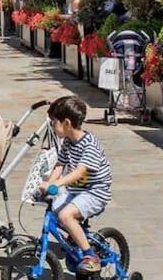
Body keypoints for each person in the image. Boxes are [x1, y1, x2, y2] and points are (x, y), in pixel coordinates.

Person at [39, 95, 112, 274]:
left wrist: (56, 185)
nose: (52, 127)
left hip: (95, 193)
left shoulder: (90, 145)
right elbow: (59, 165)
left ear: (66, 123)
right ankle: (76, 238)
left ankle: (90, 256)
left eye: (53, 123)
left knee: (65, 215)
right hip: (77, 191)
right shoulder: (68, 142)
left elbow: (79, 172)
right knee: (56, 211)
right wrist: (49, 183)